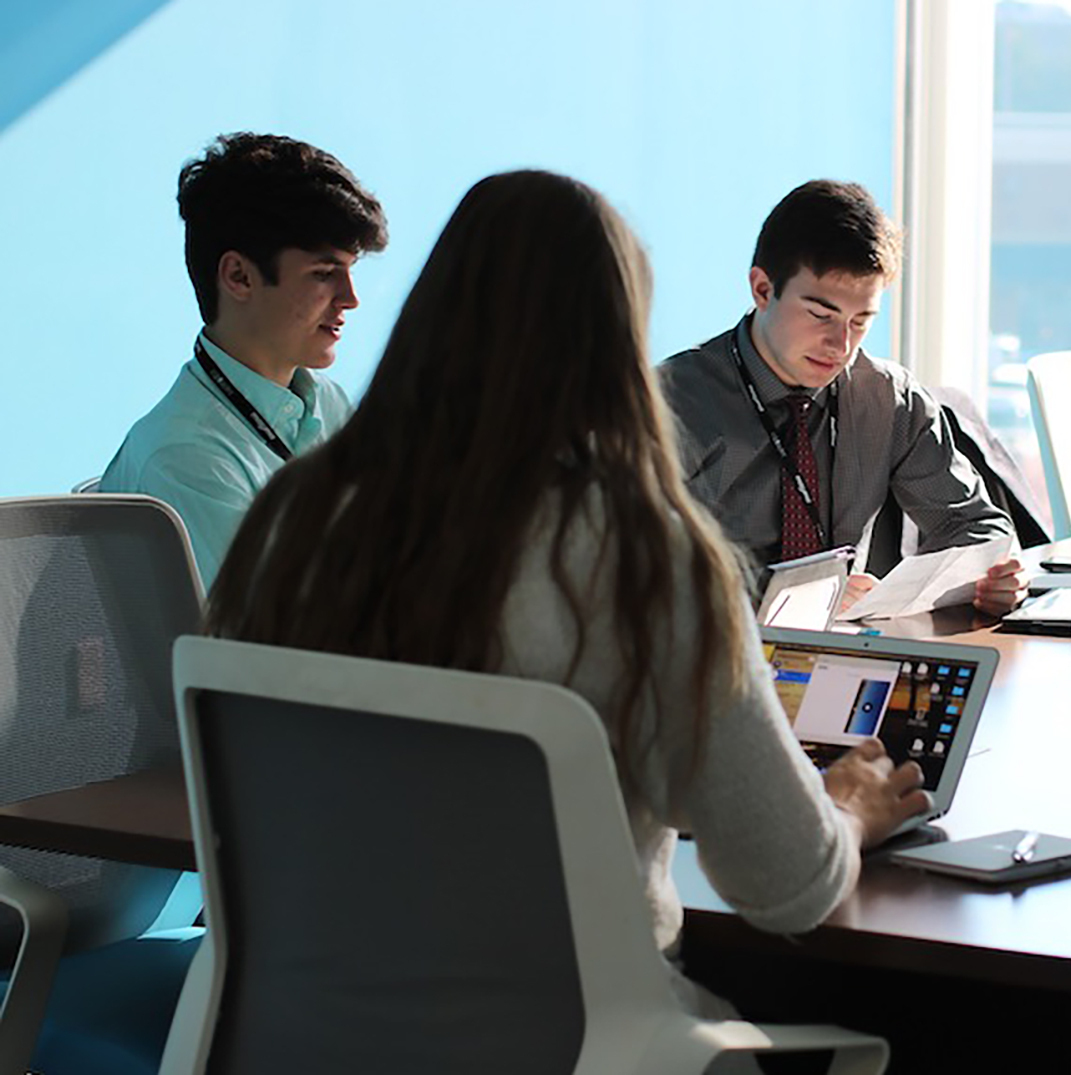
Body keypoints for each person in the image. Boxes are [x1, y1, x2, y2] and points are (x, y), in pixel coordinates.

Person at [204, 170, 928, 1014]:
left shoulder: (291, 518)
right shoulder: (648, 560)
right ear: (615, 344)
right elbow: (788, 886)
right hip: (566, 1036)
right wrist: (850, 810)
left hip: (296, 1025)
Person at [659, 180, 1028, 615]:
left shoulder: (888, 399)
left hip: (851, 655)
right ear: (762, 289)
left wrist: (998, 576)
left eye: (861, 321)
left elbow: (974, 526)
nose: (841, 345)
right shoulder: (670, 401)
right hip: (717, 656)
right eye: (820, 315)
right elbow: (627, 566)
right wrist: (786, 596)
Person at [100, 132, 388, 588]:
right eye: (324, 274)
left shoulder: (325, 403)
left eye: (350, 272)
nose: (350, 299)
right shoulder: (186, 457)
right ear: (238, 276)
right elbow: (269, 644)